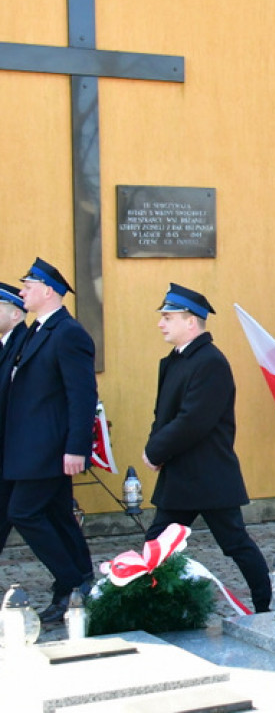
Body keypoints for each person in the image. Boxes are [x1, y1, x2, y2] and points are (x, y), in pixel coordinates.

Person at [142, 283, 271, 613]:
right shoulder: (175, 360)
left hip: (209, 476)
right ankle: (154, 609)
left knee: (235, 543)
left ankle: (266, 604)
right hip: (180, 475)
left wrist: (155, 451)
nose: (160, 324)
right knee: (156, 545)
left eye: (168, 317)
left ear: (191, 322)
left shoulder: (210, 361)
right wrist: (156, 448)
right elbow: (163, 415)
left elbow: (193, 421)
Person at [4, 258, 96, 623]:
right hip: (30, 447)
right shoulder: (37, 330)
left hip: (48, 448)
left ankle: (73, 582)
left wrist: (77, 447)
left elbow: (82, 395)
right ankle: (77, 582)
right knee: (58, 515)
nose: (22, 292)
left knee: (23, 513)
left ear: (48, 291)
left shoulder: (68, 332)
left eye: (28, 287)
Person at [0, 282, 30, 556]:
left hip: (16, 447)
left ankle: (76, 574)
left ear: (15, 314)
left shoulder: (24, 344)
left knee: (23, 513)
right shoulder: (6, 344)